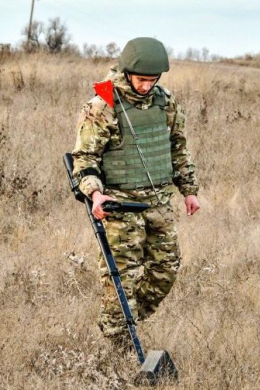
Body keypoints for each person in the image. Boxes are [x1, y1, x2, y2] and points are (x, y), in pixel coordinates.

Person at [71, 37, 200, 348]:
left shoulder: (164, 101)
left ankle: (121, 325)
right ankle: (119, 346)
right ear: (128, 72)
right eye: (142, 79)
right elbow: (85, 159)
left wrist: (189, 191)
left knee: (165, 271)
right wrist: (95, 194)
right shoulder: (102, 104)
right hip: (119, 205)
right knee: (121, 281)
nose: (146, 86)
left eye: (153, 80)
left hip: (159, 203)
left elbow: (177, 147)